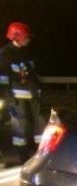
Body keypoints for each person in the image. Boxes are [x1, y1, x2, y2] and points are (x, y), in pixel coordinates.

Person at [0, 21, 46, 162]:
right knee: (20, 126)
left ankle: (41, 153)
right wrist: (8, 97)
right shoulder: (5, 54)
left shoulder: (28, 52)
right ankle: (22, 155)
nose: (28, 39)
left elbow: (33, 73)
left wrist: (39, 90)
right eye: (26, 36)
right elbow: (3, 77)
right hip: (16, 98)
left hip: (33, 95)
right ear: (16, 37)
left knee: (39, 124)